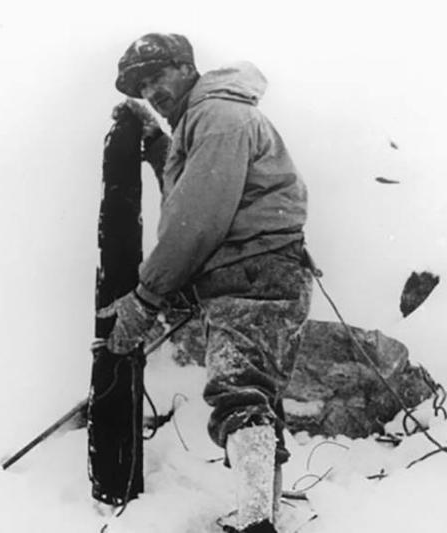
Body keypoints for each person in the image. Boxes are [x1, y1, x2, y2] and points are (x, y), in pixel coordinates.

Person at [101, 33, 313, 533]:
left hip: (252, 272)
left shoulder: (218, 118)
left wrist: (146, 297)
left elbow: (196, 219)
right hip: (261, 269)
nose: (150, 90)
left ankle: (257, 523)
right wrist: (160, 147)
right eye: (140, 85)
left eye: (157, 76)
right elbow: (199, 193)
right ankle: (261, 512)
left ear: (186, 67)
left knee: (239, 392)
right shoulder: (208, 118)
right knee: (257, 395)